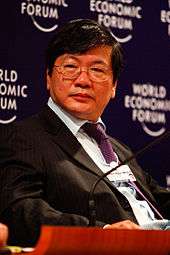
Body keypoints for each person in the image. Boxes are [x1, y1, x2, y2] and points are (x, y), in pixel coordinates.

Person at [0, 19, 169, 247]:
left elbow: (157, 198)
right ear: (48, 77)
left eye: (97, 70)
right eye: (70, 67)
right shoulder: (22, 137)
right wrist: (102, 233)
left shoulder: (118, 148)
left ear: (114, 87)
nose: (83, 80)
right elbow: (20, 210)